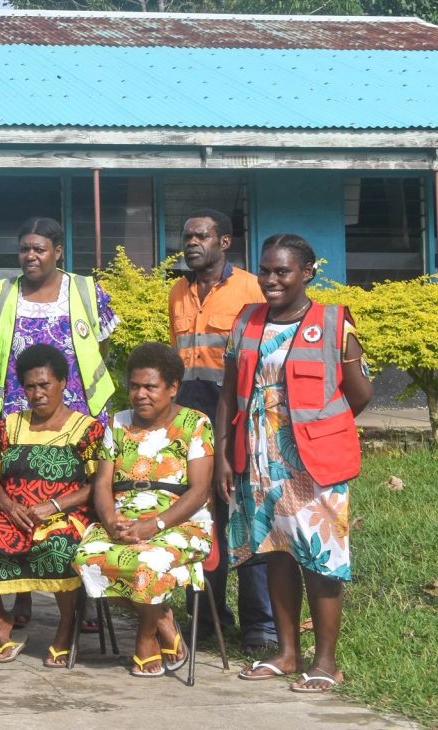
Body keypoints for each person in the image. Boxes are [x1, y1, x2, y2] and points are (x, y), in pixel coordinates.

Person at [218, 234, 371, 693]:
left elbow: (359, 394)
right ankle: (286, 653)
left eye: (282, 271)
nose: (270, 280)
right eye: (265, 270)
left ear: (307, 273)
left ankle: (326, 662)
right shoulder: (246, 320)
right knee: (275, 552)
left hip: (311, 463)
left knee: (320, 559)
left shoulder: (333, 323)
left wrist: (318, 431)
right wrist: (226, 453)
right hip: (258, 461)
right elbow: (229, 393)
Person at [0, 344, 107, 667]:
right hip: (10, 511)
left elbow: (96, 485)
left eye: (45, 384)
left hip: (64, 512)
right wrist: (9, 506)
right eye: (30, 386)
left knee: (59, 546)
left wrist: (52, 506)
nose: (37, 393)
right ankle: (1, 624)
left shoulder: (88, 429)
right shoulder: (9, 425)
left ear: (63, 383)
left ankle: (66, 627)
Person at [73, 342, 214, 678]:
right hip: (123, 519)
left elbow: (199, 491)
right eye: (134, 386)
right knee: (85, 559)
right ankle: (163, 618)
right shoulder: (117, 423)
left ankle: (146, 635)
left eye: (150, 387)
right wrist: (110, 521)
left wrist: (155, 525)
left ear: (172, 387)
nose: (140, 395)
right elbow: (104, 484)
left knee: (146, 564)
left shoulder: (195, 423)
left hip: (180, 521)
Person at [169, 209, 275, 652]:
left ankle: (260, 625)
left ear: (225, 241)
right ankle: (208, 617)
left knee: (246, 518)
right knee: (202, 517)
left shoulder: (252, 288)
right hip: (190, 419)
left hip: (237, 415)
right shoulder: (178, 289)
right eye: (187, 236)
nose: (192, 242)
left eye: (202, 236)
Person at [0, 216, 118, 423]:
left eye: (39, 250)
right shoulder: (2, 293)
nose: (30, 256)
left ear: (57, 252)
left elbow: (102, 347)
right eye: (24, 250)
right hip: (18, 412)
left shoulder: (87, 291)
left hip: (78, 410)